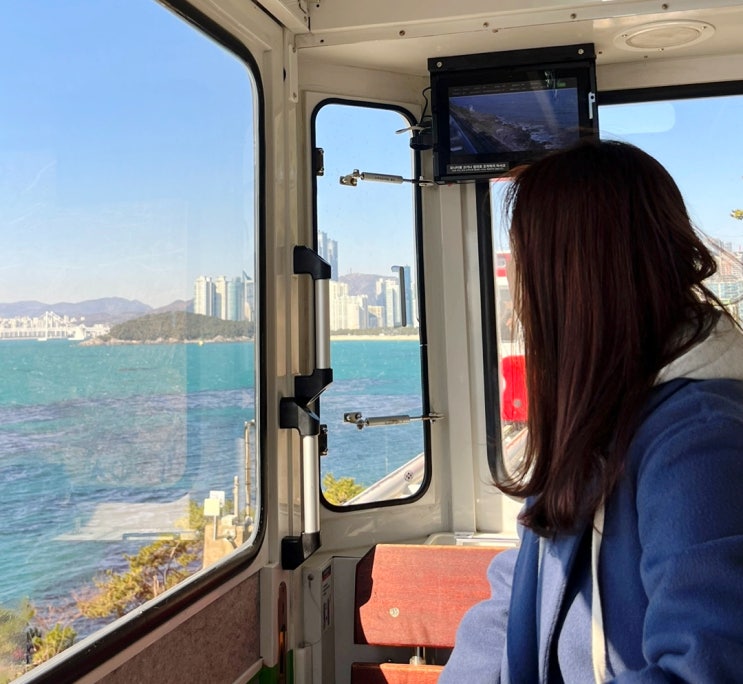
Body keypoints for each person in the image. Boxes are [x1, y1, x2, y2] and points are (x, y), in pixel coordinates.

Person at [440, 139, 743, 683]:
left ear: (571, 286)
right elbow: (520, 590)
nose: (520, 302)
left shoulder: (700, 443)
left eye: (525, 268)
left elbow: (707, 667)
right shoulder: (603, 416)